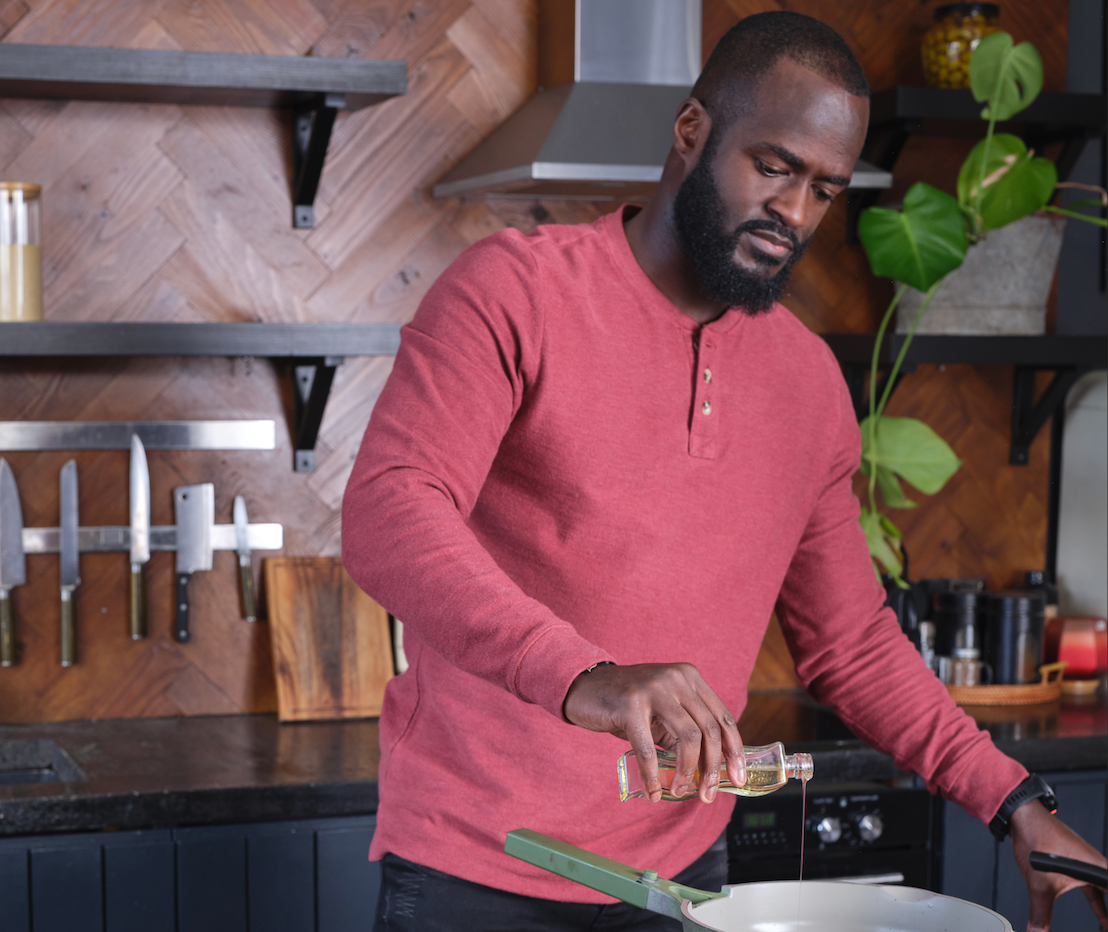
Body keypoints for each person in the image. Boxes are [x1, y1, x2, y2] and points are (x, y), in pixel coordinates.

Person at [340, 11, 1108, 932]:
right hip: (478, 870)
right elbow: (390, 510)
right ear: (693, 131)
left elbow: (852, 645)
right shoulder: (515, 291)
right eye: (775, 166)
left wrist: (1017, 802)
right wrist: (590, 674)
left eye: (824, 188)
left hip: (681, 886)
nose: (794, 213)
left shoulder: (809, 383)